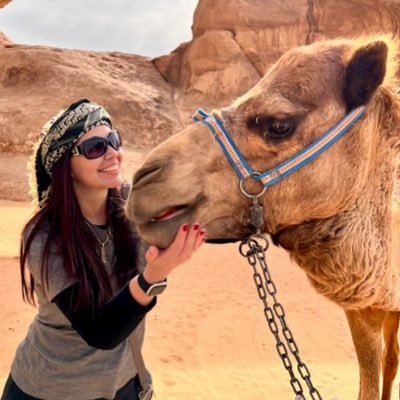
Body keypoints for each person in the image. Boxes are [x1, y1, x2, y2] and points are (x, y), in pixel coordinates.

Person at [1, 99, 206, 400]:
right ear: (65, 167)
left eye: (114, 140)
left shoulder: (132, 207)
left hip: (123, 386)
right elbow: (99, 331)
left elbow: (198, 205)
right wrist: (153, 276)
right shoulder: (44, 234)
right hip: (47, 390)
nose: (113, 153)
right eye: (95, 147)